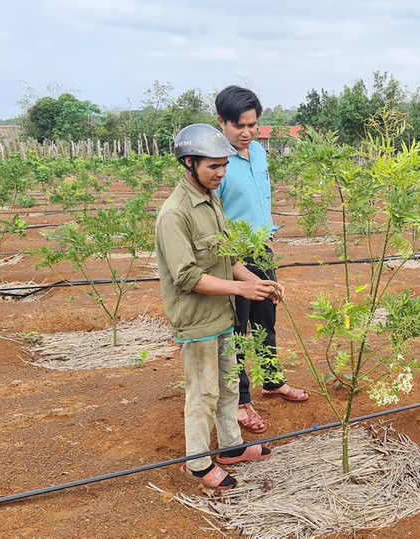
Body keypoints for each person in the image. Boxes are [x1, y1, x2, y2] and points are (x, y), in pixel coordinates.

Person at [155, 123, 280, 489]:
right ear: (190, 162)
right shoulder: (175, 214)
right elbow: (187, 276)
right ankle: (196, 463)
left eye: (225, 165)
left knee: (228, 385)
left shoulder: (213, 200)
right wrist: (241, 291)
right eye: (214, 166)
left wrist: (253, 282)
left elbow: (227, 258)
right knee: (203, 391)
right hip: (197, 320)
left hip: (223, 313)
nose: (222, 173)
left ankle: (231, 447)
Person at [214, 85, 308, 435]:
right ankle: (240, 399)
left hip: (261, 249)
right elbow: (215, 218)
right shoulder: (218, 161)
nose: (247, 132)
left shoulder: (258, 153)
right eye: (240, 125)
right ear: (222, 122)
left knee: (266, 320)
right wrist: (236, 266)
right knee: (237, 328)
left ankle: (272, 381)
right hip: (232, 257)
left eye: (252, 125)